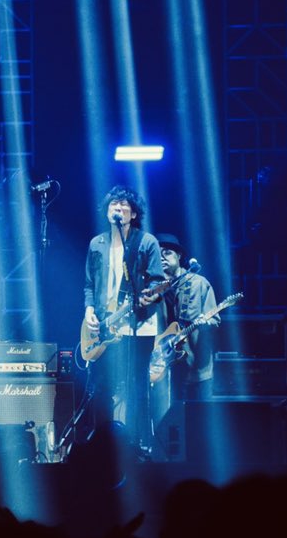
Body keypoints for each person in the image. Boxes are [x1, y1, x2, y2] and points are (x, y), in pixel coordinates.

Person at [82, 185, 166, 455]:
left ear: (134, 213)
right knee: (101, 385)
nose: (118, 208)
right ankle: (102, 444)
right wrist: (89, 310)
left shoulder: (146, 242)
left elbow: (157, 282)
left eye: (124, 205)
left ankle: (136, 443)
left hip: (139, 325)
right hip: (104, 324)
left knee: (136, 384)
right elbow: (89, 284)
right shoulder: (97, 243)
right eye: (113, 204)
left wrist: (150, 296)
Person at [156, 233, 220, 401]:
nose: (162, 257)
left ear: (179, 255)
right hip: (163, 369)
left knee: (199, 414)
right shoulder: (153, 290)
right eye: (158, 253)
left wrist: (205, 323)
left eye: (167, 252)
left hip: (196, 368)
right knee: (170, 416)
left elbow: (214, 320)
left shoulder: (199, 283)